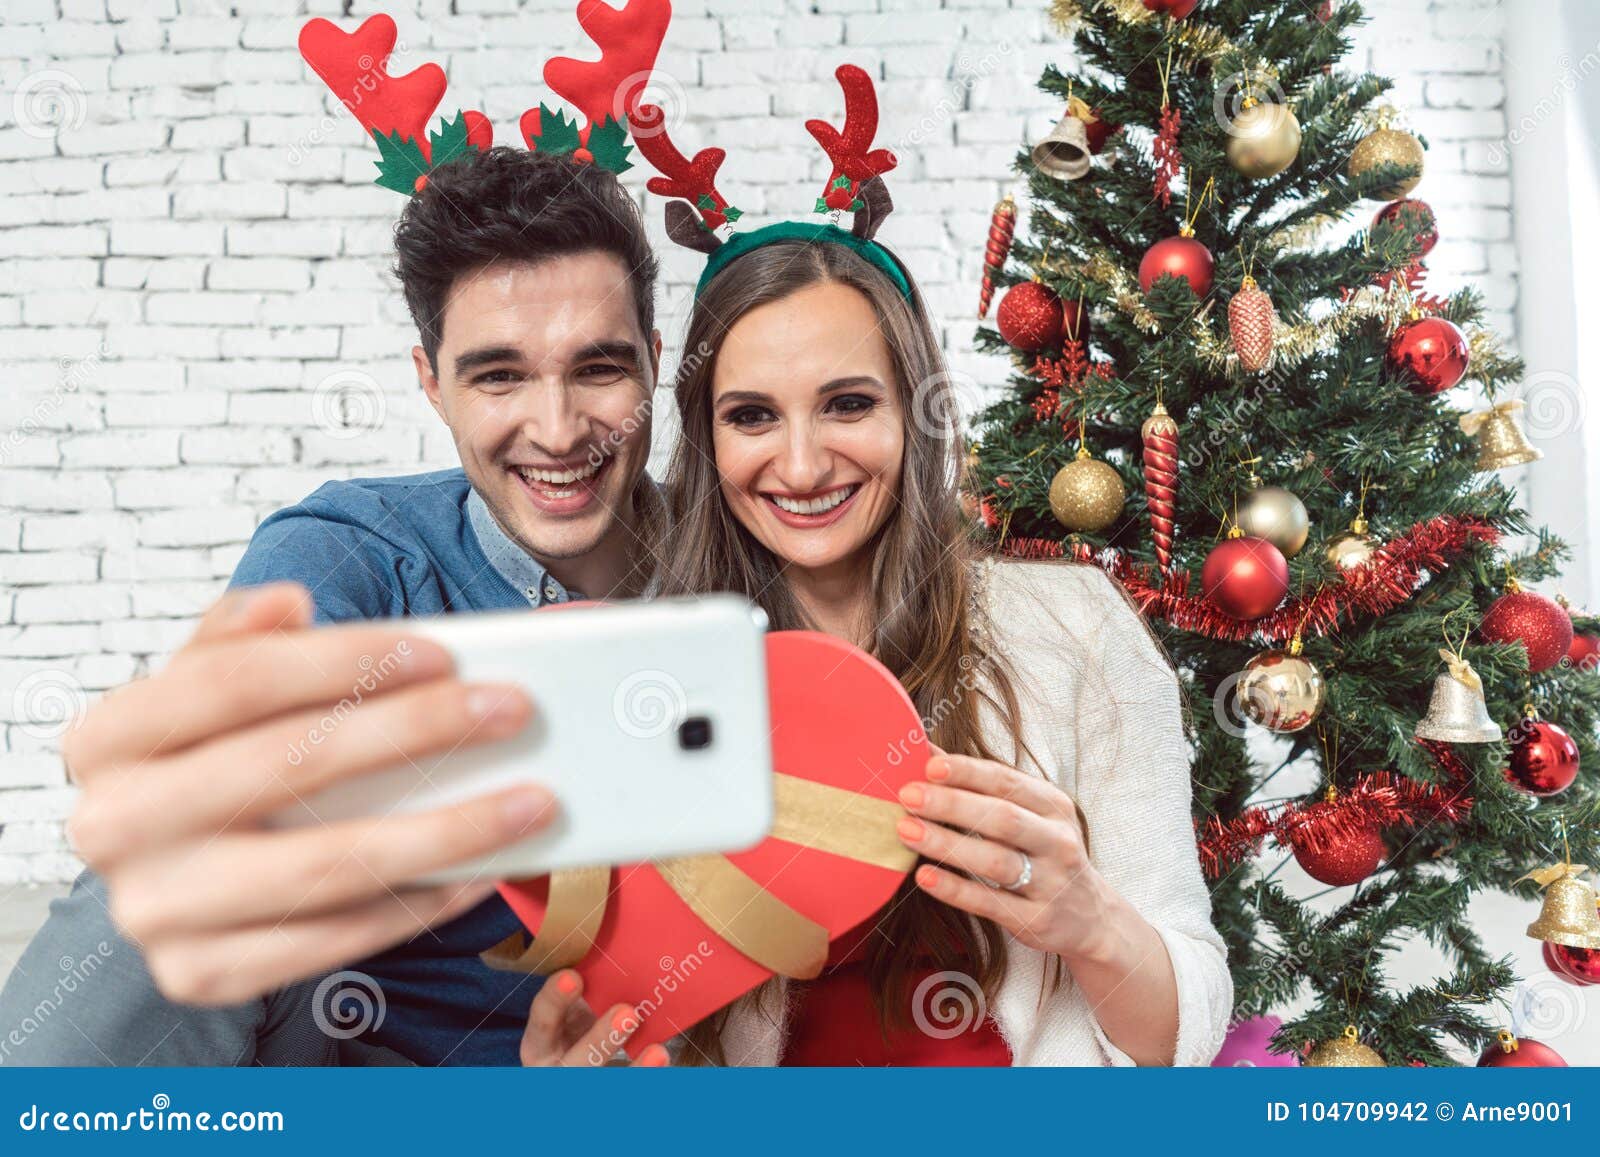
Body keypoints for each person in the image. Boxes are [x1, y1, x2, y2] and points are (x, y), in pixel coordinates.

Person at [0, 147, 670, 1067]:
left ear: (654, 365)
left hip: (641, 1070)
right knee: (186, 862)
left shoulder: (728, 561)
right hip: (342, 1081)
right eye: (498, 377)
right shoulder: (356, 550)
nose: (557, 431)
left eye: (597, 369)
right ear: (431, 382)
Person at [519, 214, 1233, 1065]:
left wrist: (1090, 919)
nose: (804, 464)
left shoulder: (1075, 629)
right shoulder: (651, 686)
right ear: (708, 439)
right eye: (751, 416)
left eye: (848, 404)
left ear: (915, 410)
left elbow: (1181, 1036)